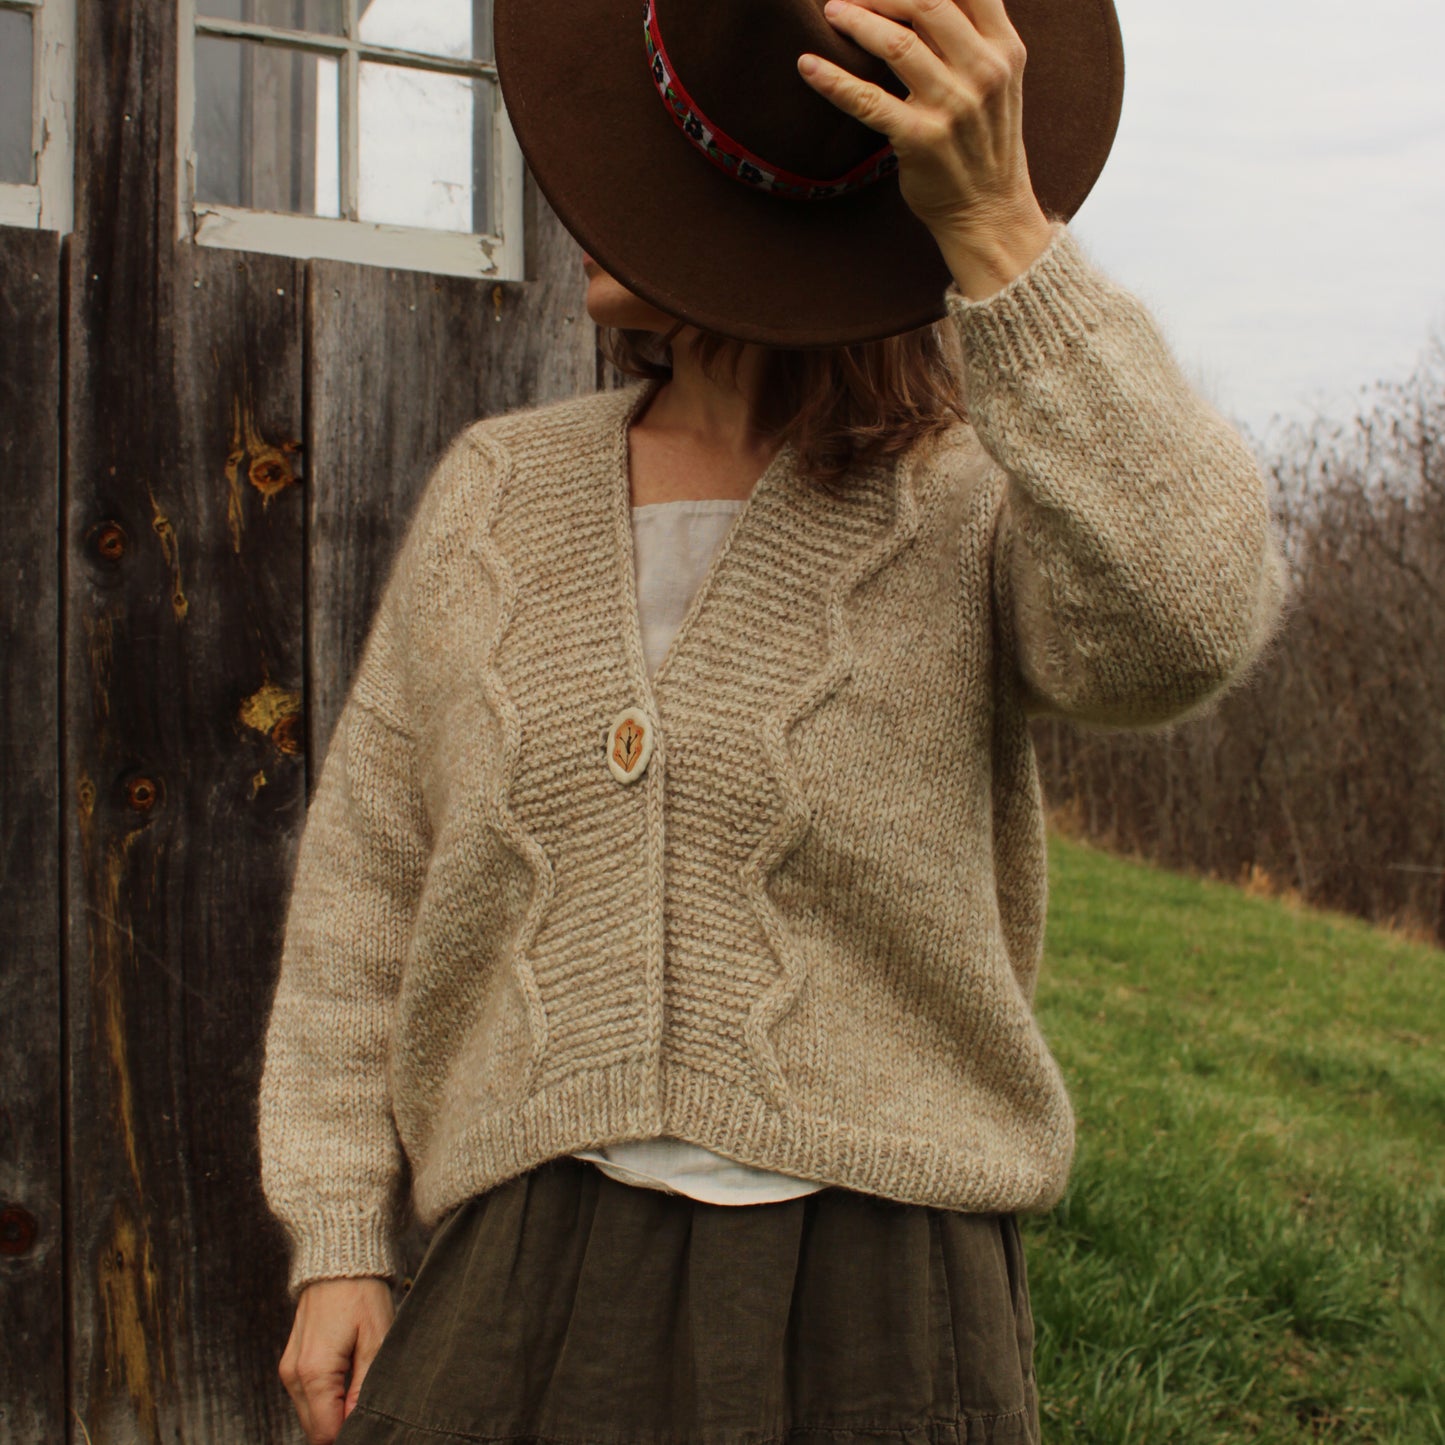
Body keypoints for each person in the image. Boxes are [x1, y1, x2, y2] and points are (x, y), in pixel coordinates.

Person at [259, 1, 1286, 1442]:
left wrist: (997, 226)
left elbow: (1183, 619)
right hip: (523, 1267)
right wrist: (336, 1232)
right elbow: (367, 886)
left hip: (879, 1287)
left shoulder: (972, 503)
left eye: (627, 163)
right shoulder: (496, 495)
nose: (574, 194)